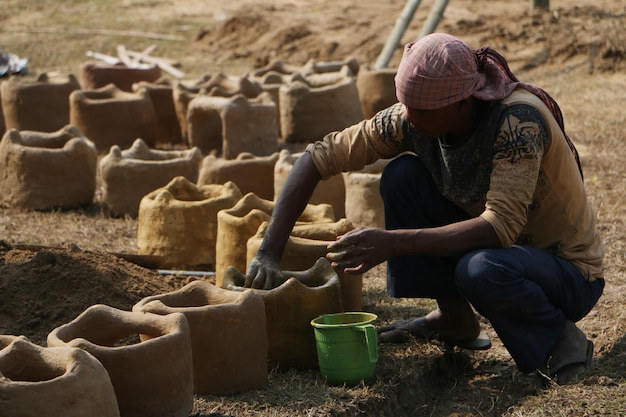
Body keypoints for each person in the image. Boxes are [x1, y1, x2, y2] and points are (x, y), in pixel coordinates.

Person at [245, 33, 605, 386]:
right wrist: (268, 252)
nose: (410, 118)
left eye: (422, 110)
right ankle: (454, 319)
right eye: (407, 106)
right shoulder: (414, 117)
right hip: (506, 255)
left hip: (565, 274)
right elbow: (318, 157)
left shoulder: (517, 122)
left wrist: (393, 243)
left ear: (464, 102)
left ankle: (560, 339)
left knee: (478, 270)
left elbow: (499, 227)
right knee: (403, 177)